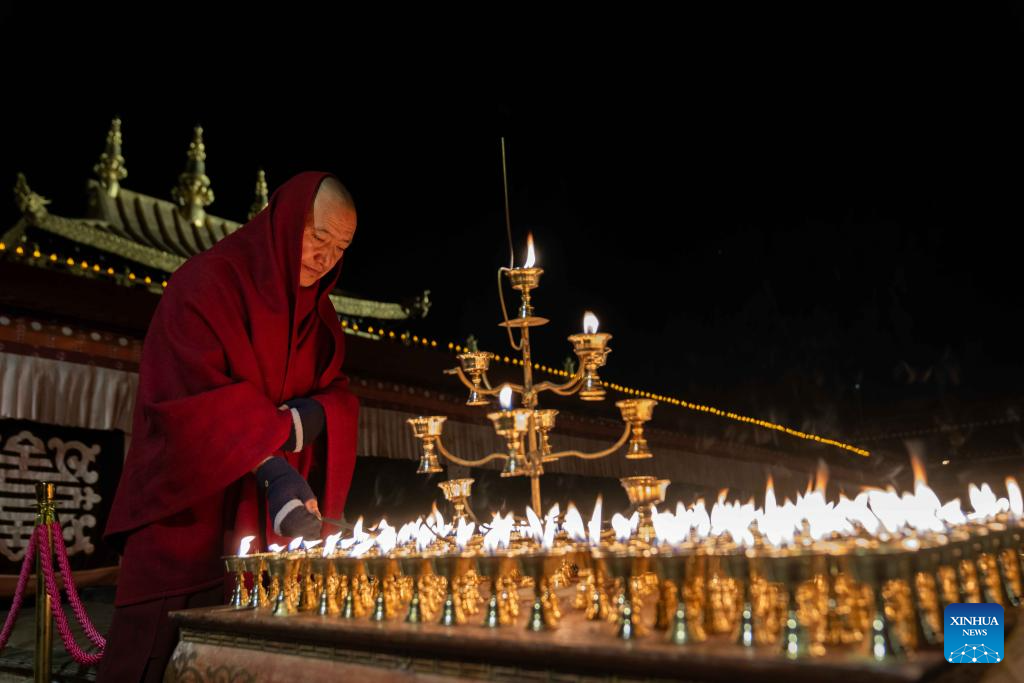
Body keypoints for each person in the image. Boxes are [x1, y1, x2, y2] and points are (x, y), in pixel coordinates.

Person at [97, 171, 360, 682]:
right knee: (157, 662)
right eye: (318, 238)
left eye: (341, 248)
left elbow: (339, 396)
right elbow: (186, 395)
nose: (325, 258)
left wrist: (313, 418)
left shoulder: (319, 315)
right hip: (188, 513)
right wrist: (279, 440)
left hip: (267, 530)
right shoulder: (207, 281)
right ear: (283, 224)